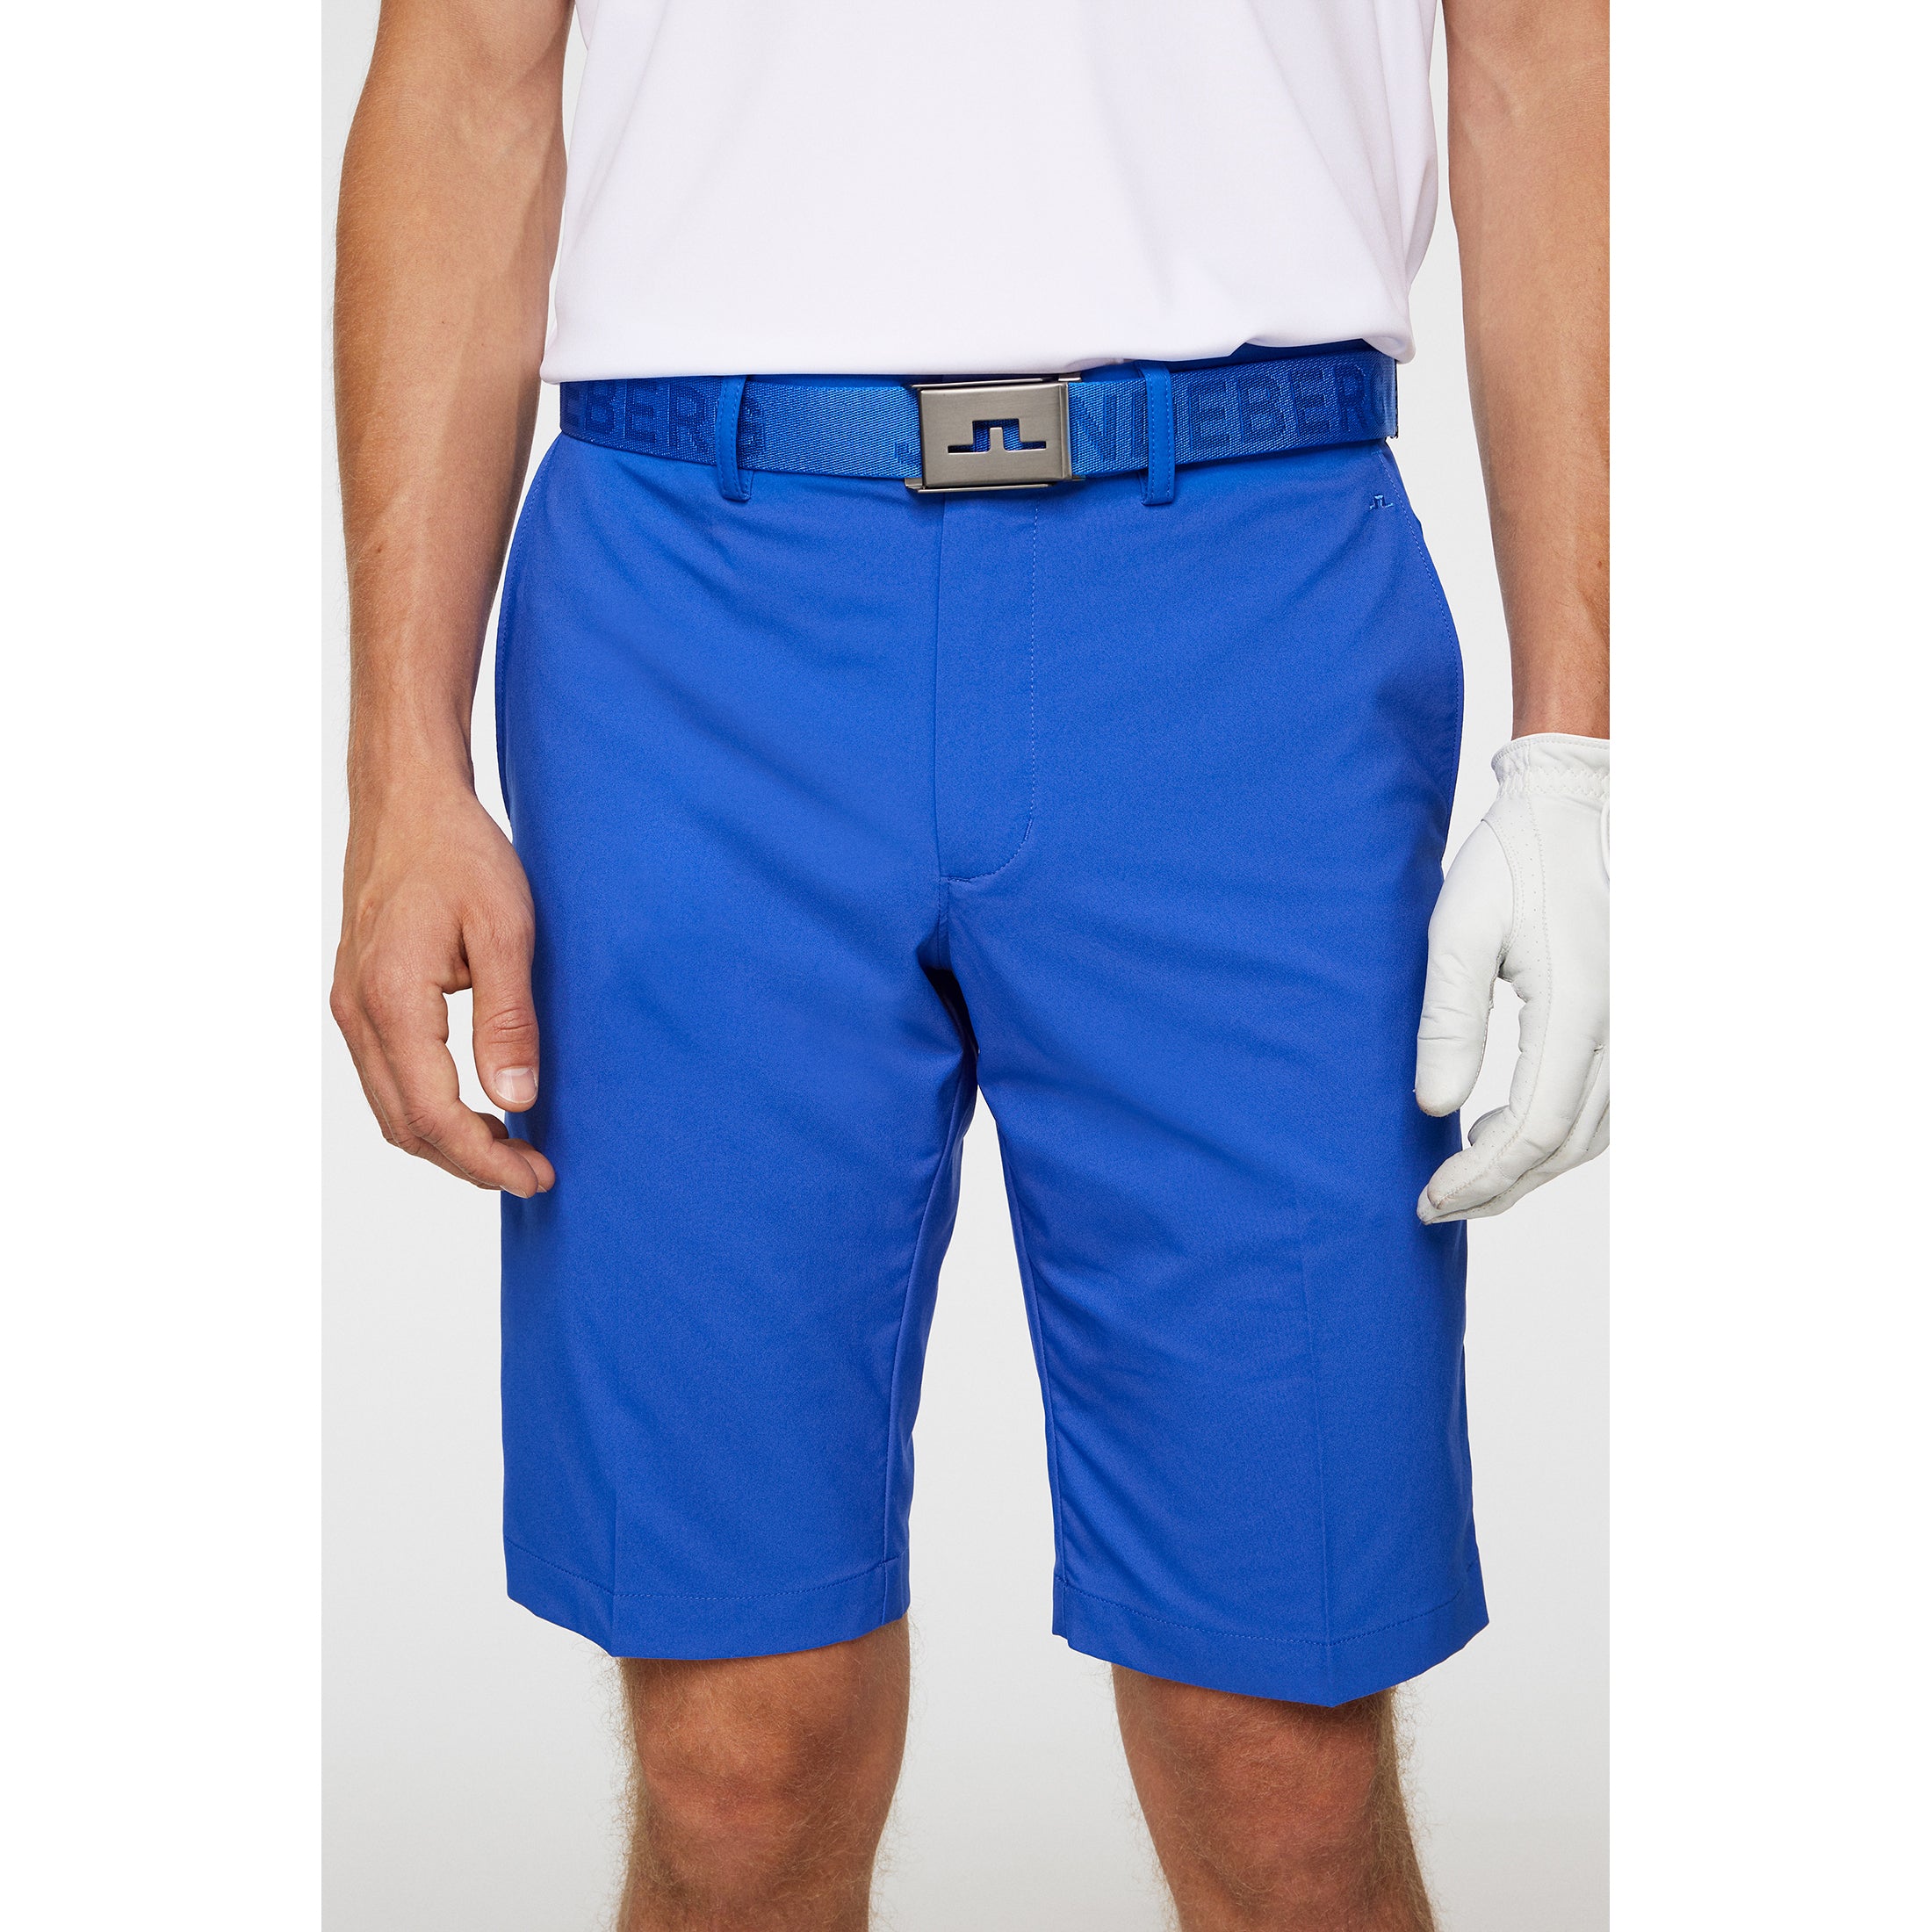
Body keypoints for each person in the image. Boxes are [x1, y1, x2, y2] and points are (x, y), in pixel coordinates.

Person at [331, 0, 1606, 1923]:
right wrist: (400, 766)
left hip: (1241, 594)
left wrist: (1577, 751)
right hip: (696, 613)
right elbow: (462, 81)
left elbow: (1540, 60)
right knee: (734, 1755)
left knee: (1281, 1755)